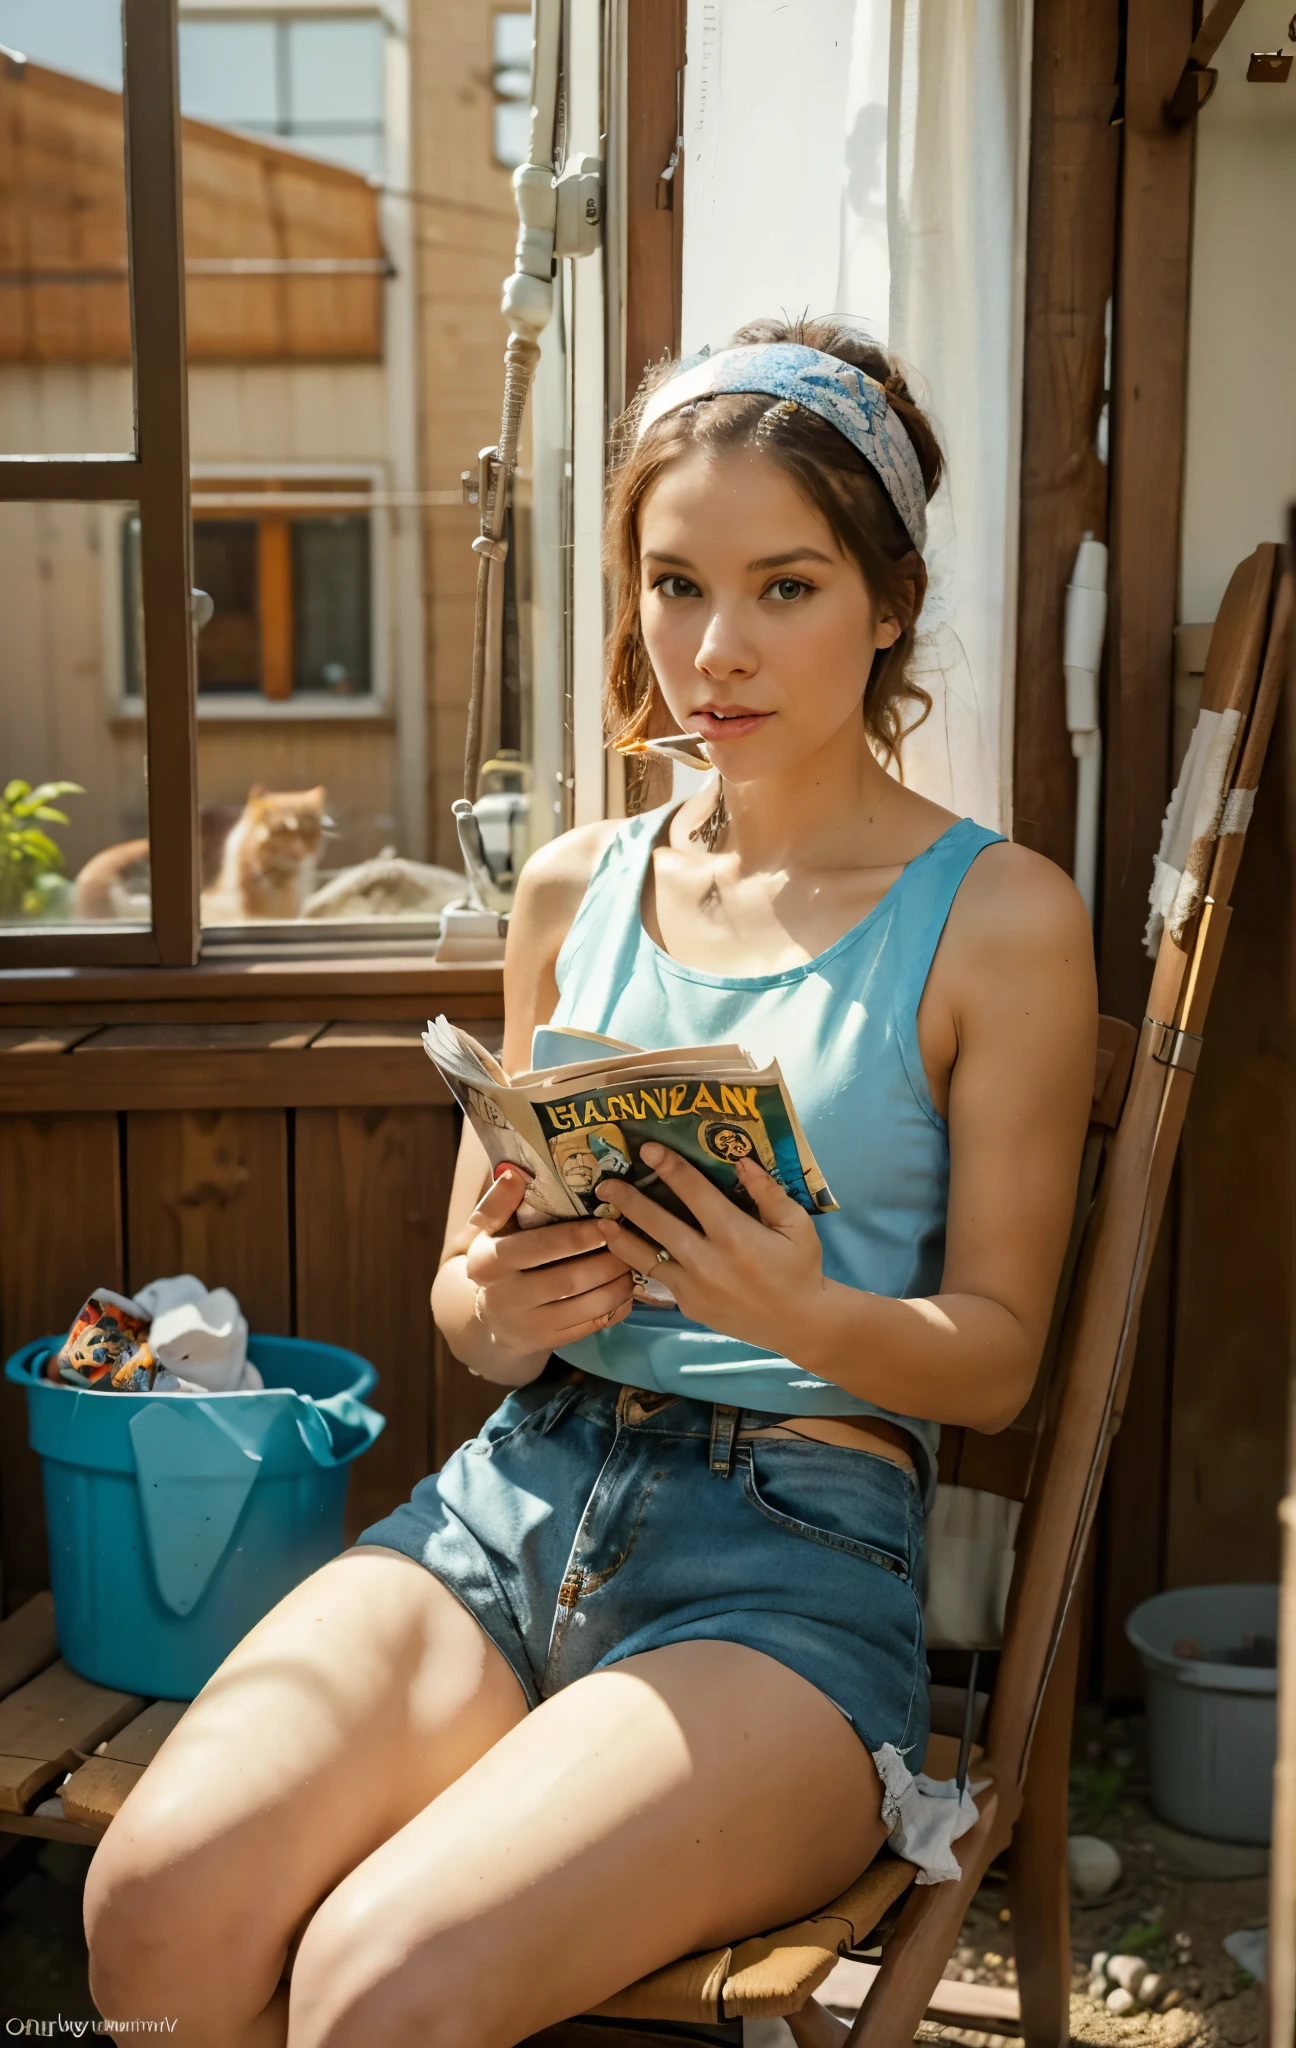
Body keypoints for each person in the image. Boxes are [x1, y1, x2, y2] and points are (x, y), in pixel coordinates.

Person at [85, 316, 1097, 2048]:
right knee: (152, 1913)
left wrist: (802, 1309)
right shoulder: (569, 890)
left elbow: (1000, 1361)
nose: (717, 649)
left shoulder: (1000, 919)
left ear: (890, 598)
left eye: (786, 586)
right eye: (673, 584)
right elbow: (462, 1305)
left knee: (379, 1985)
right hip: (515, 1495)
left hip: (789, 1568)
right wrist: (493, 1306)